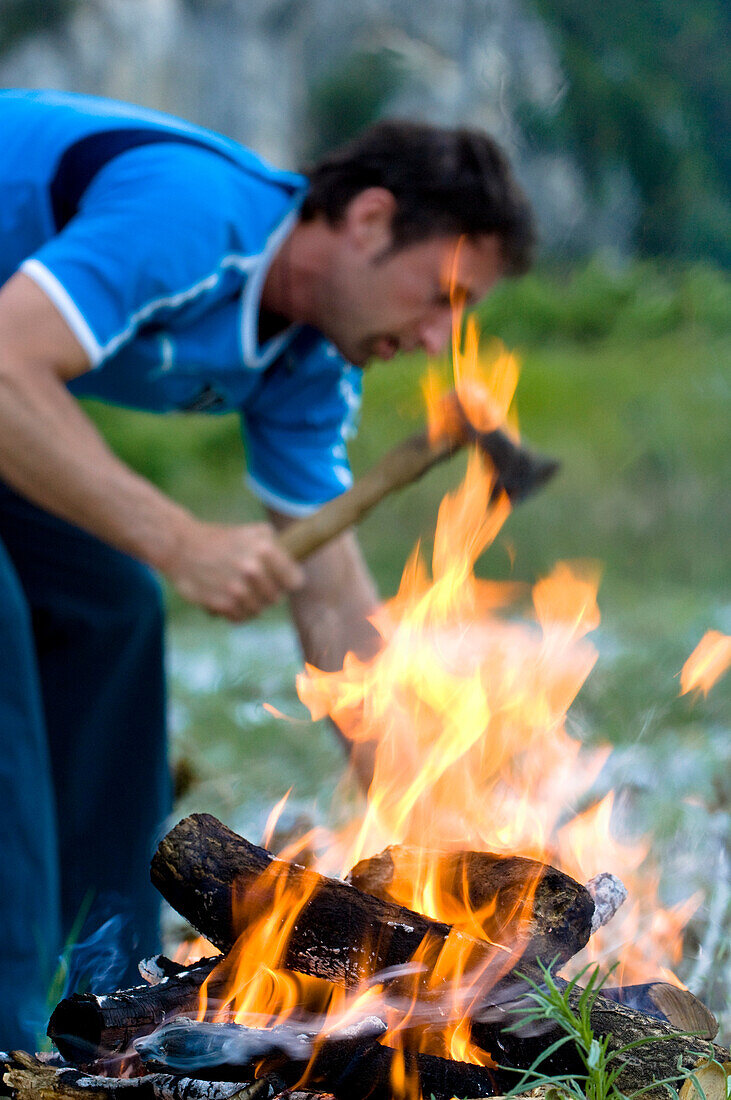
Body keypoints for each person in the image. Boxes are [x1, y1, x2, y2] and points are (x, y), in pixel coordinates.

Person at [0, 88, 534, 1050]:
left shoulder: (308, 363)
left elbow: (332, 603)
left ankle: (98, 996)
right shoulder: (198, 217)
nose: (434, 339)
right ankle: (2, 1021)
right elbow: (5, 366)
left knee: (112, 610)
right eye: (437, 296)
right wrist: (179, 539)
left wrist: (436, 826)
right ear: (369, 217)